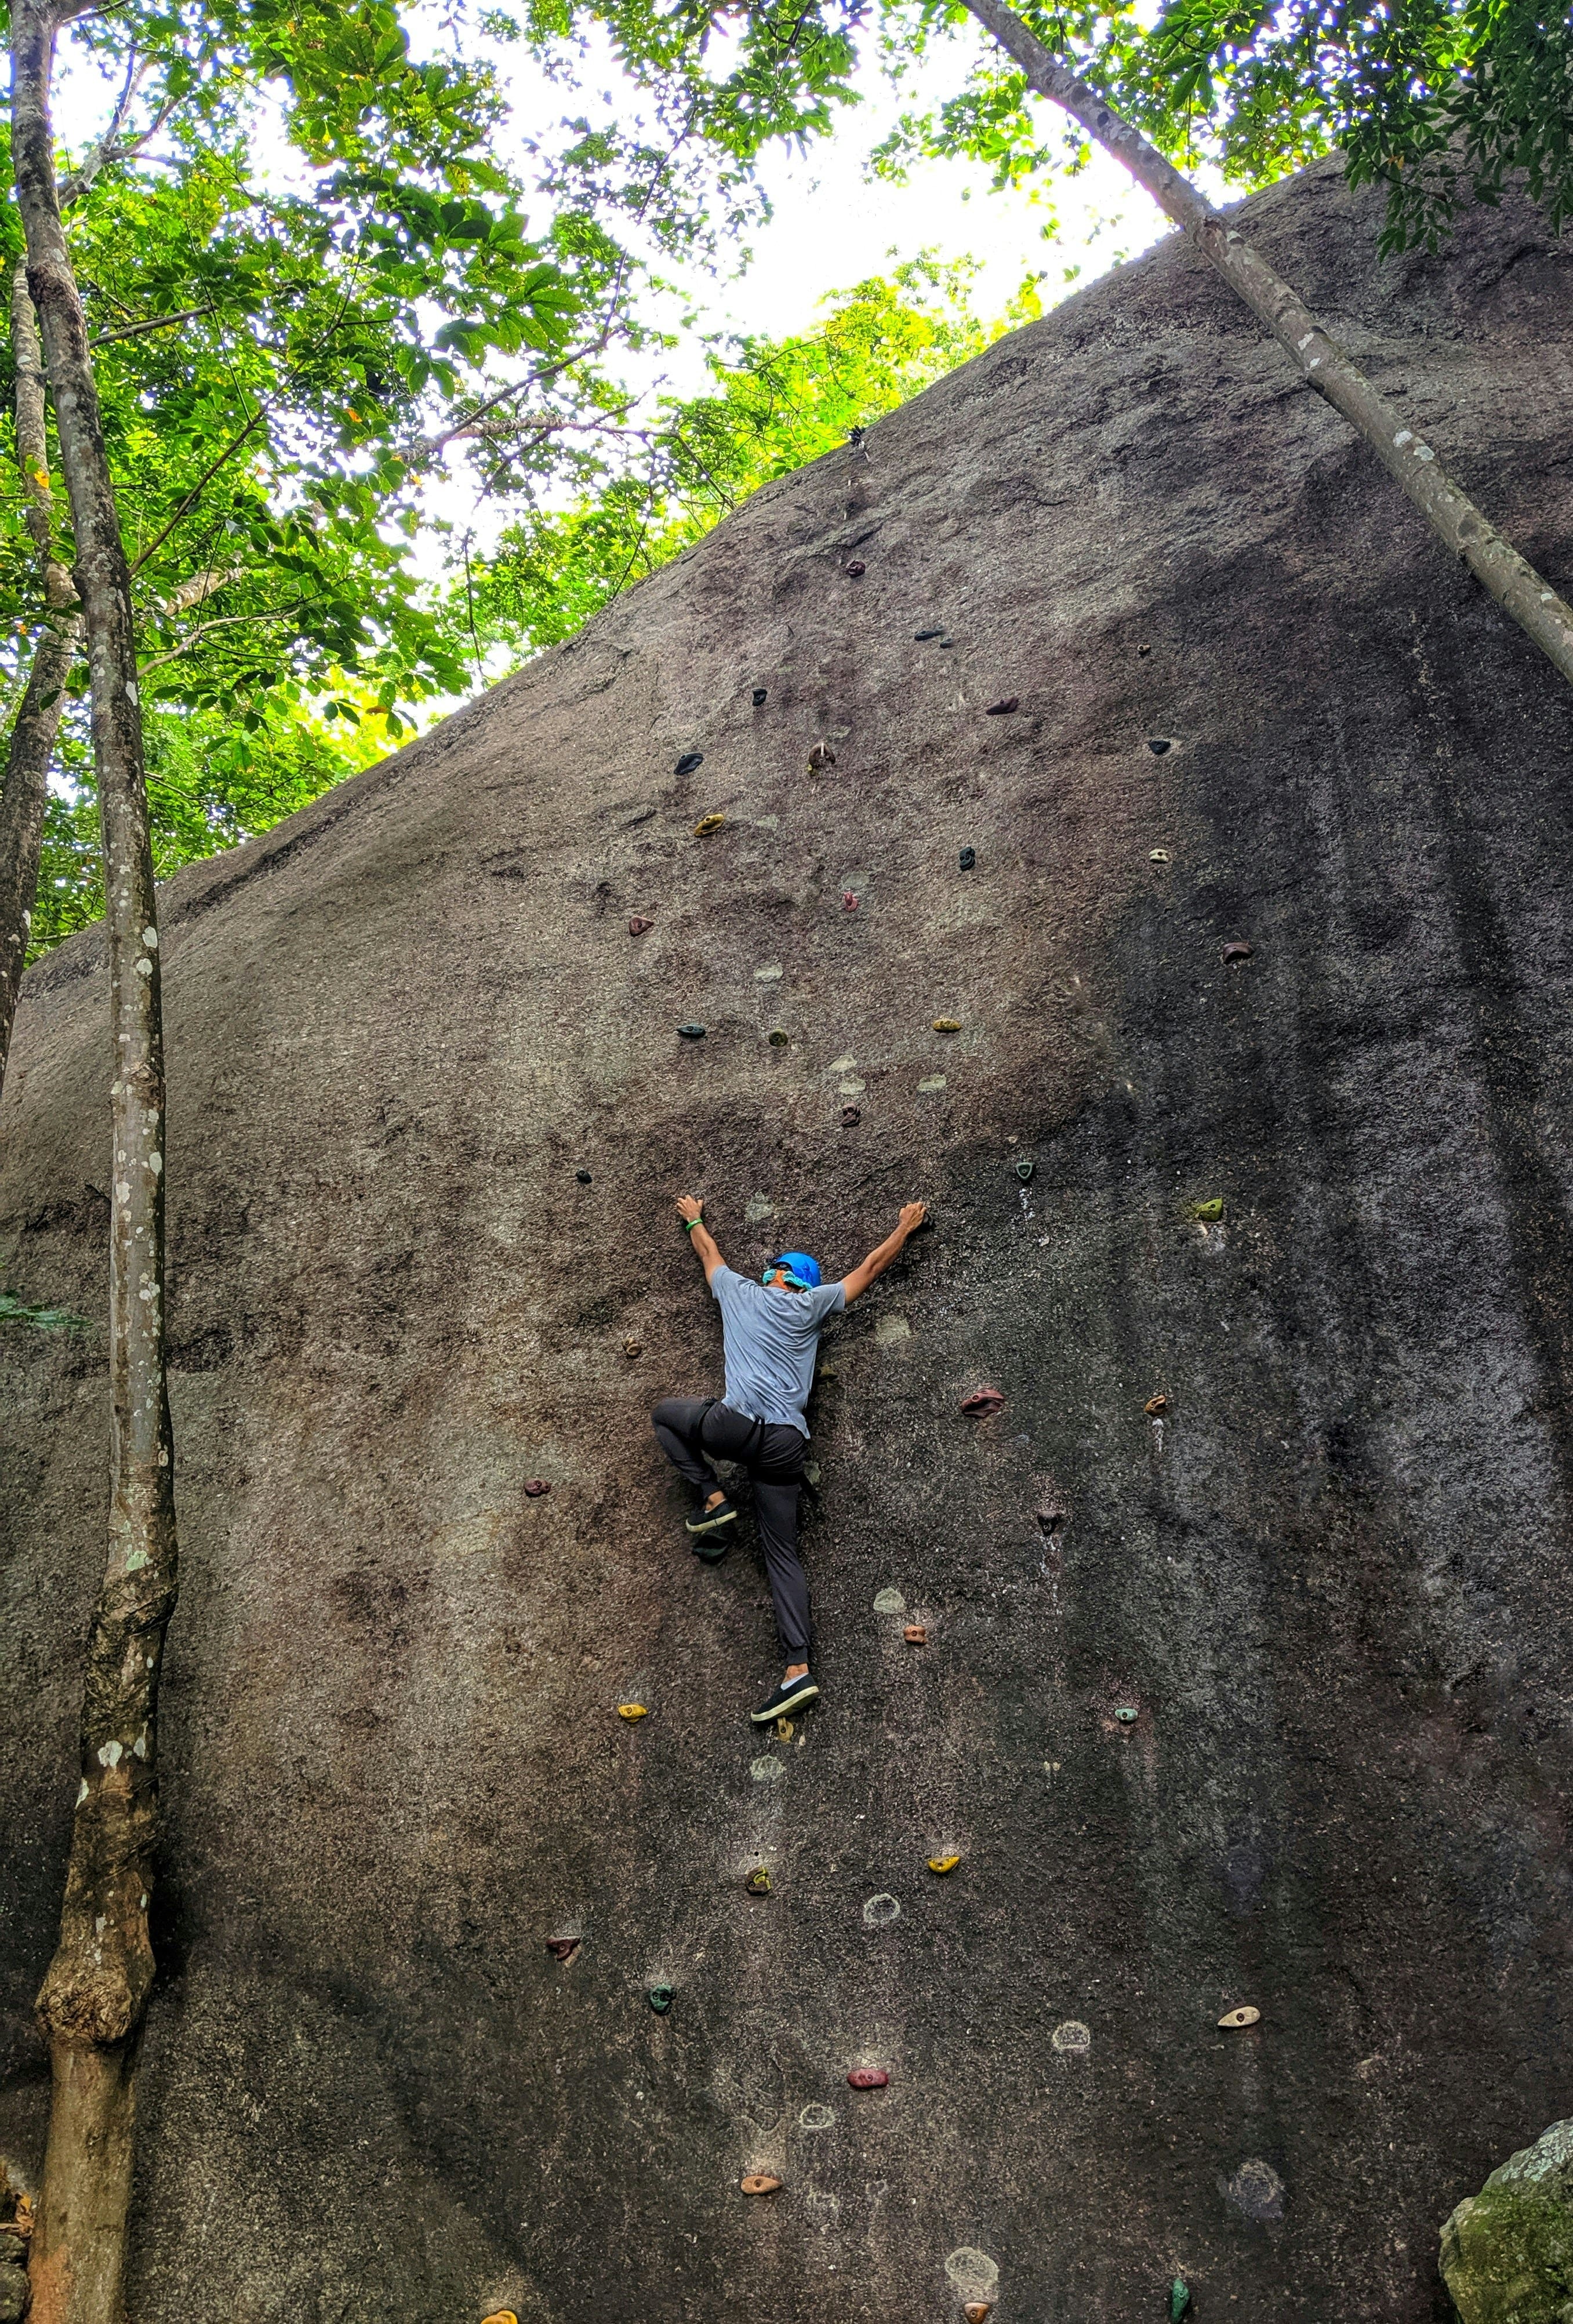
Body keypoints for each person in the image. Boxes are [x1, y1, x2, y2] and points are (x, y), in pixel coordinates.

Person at [653, 1194, 929, 1724]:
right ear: (805, 1283)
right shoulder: (812, 1305)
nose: (766, 1271)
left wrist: (694, 1216)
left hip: (733, 1427)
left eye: (772, 1267)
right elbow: (869, 1268)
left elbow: (708, 1253)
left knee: (666, 1415)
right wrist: (904, 1226)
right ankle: (796, 1670)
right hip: (785, 1443)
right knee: (782, 1555)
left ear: (778, 1275)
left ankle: (713, 1499)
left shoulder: (740, 1292)